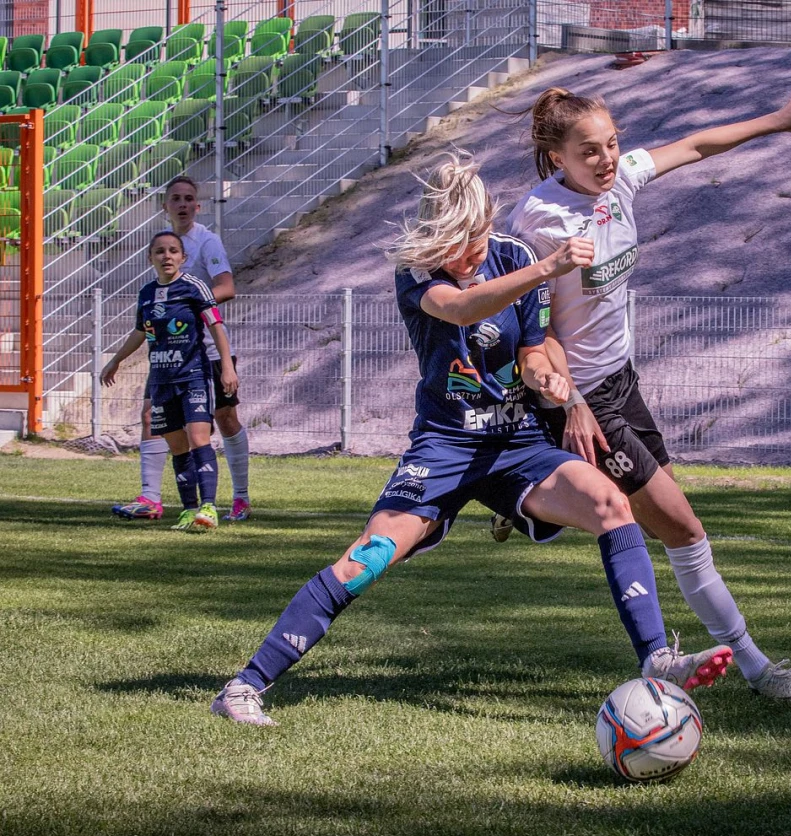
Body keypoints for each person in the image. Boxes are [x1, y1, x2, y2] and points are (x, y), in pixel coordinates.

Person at [210, 153, 732, 726]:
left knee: (612, 503)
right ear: (436, 238)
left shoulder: (515, 256)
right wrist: (548, 267)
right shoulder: (417, 272)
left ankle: (657, 659)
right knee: (370, 556)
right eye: (459, 244)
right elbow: (460, 310)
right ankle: (244, 687)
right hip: (446, 445)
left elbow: (533, 349)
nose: (473, 252)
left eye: (479, 236)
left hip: (518, 444)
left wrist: (546, 378)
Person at [503, 87, 791, 701]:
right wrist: (570, 402)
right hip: (584, 400)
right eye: (588, 151)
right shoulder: (539, 220)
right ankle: (759, 670)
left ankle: (531, 504)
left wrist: (779, 121)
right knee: (684, 529)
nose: (606, 159)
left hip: (623, 382)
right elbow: (532, 331)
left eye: (611, 144)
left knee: (663, 527)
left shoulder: (621, 180)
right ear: (556, 155)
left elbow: (696, 145)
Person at [113, 176, 252, 523]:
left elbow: (227, 287)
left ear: (197, 206)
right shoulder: (164, 245)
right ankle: (150, 498)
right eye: (176, 198)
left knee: (224, 419)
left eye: (189, 198)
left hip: (206, 350)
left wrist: (186, 304)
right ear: (166, 206)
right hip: (168, 355)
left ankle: (240, 497)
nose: (183, 204)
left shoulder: (207, 241)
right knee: (151, 415)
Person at [100, 231, 239, 532]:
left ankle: (209, 507)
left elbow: (216, 325)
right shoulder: (147, 293)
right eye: (160, 251)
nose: (167, 256)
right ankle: (188, 510)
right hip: (162, 380)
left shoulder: (194, 287)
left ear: (183, 257)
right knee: (177, 446)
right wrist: (116, 360)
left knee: (198, 438)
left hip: (194, 375)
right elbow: (141, 332)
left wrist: (227, 367)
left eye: (173, 251)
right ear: (150, 258)